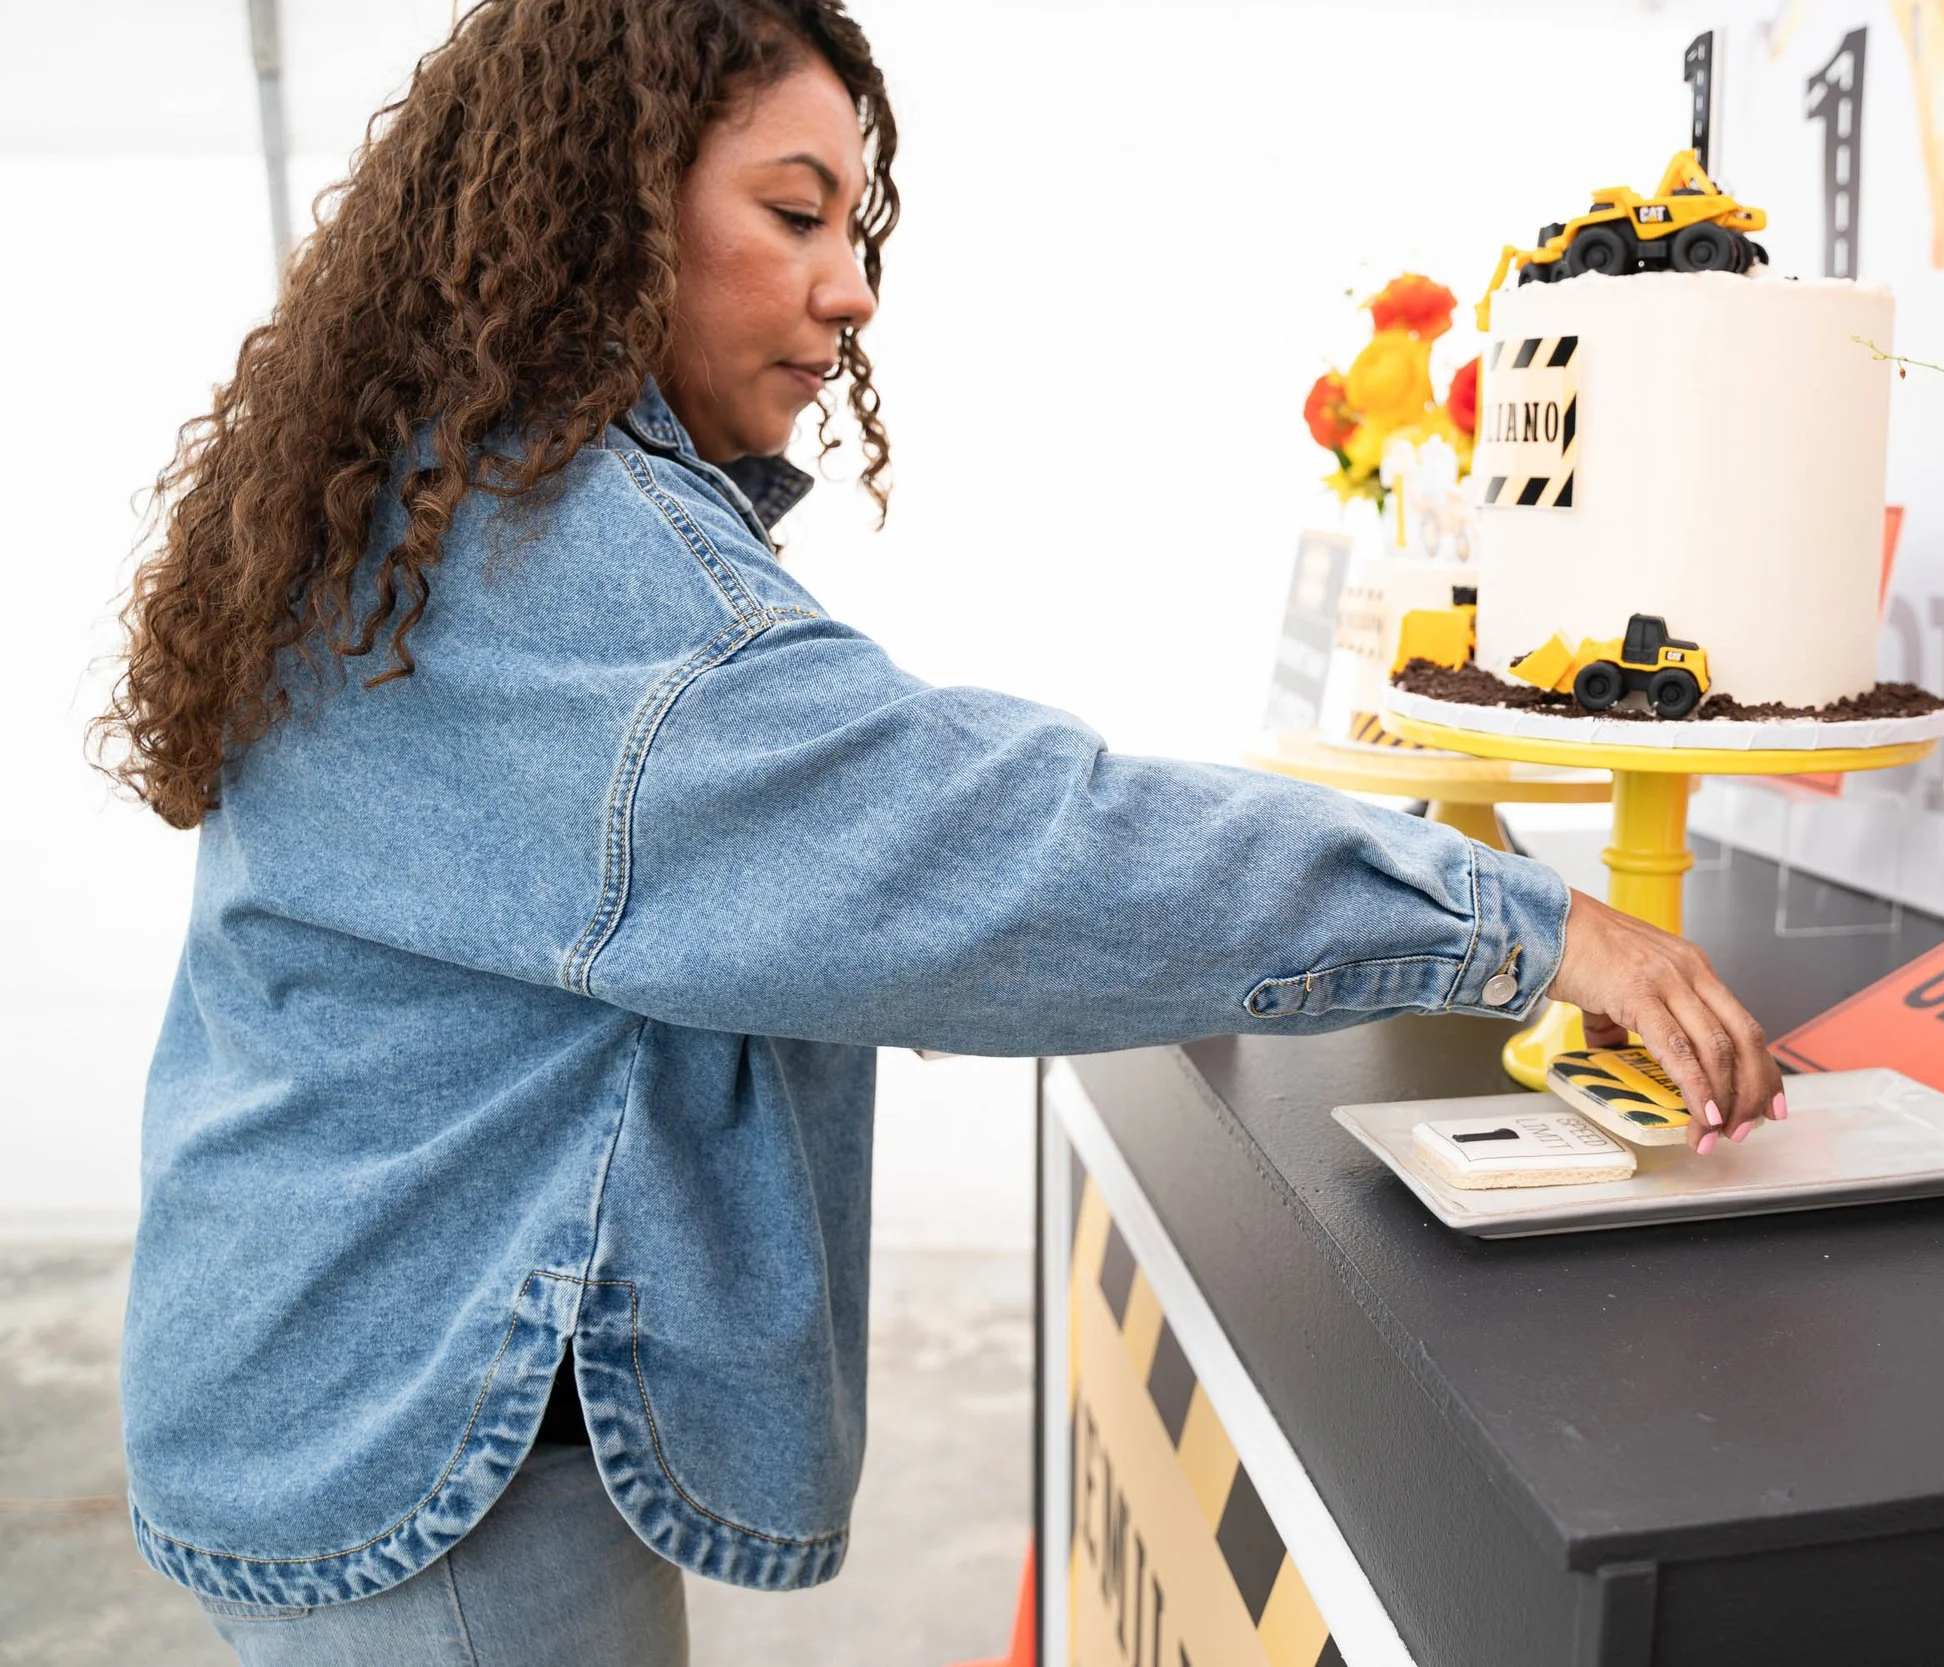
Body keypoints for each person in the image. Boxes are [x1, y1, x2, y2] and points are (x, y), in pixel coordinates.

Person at [96, 2, 1785, 1661]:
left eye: (854, 222)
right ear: (608, 207)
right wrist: (1526, 924)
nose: (851, 286)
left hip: (324, 1360)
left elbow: (864, 848)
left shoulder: (454, 500)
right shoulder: (565, 566)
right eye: (793, 211)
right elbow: (987, 851)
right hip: (416, 1442)